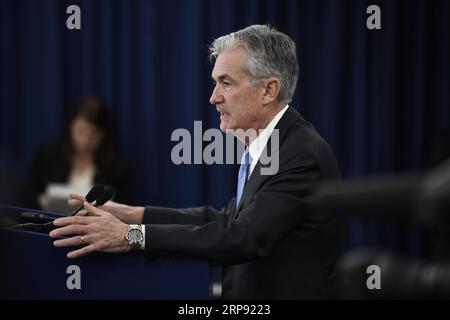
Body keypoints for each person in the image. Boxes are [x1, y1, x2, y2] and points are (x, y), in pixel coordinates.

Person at [49, 25, 342, 299]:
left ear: (269, 90)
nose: (214, 97)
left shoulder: (300, 154)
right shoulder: (274, 142)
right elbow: (226, 220)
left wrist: (131, 237)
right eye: (215, 83)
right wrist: (132, 214)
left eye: (226, 83)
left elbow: (242, 237)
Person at [22, 96, 131, 210]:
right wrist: (41, 200)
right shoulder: (48, 153)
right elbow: (27, 193)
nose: (86, 140)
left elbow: (124, 210)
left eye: (94, 135)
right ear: (71, 125)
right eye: (81, 131)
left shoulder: (117, 168)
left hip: (93, 226)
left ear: (103, 135)